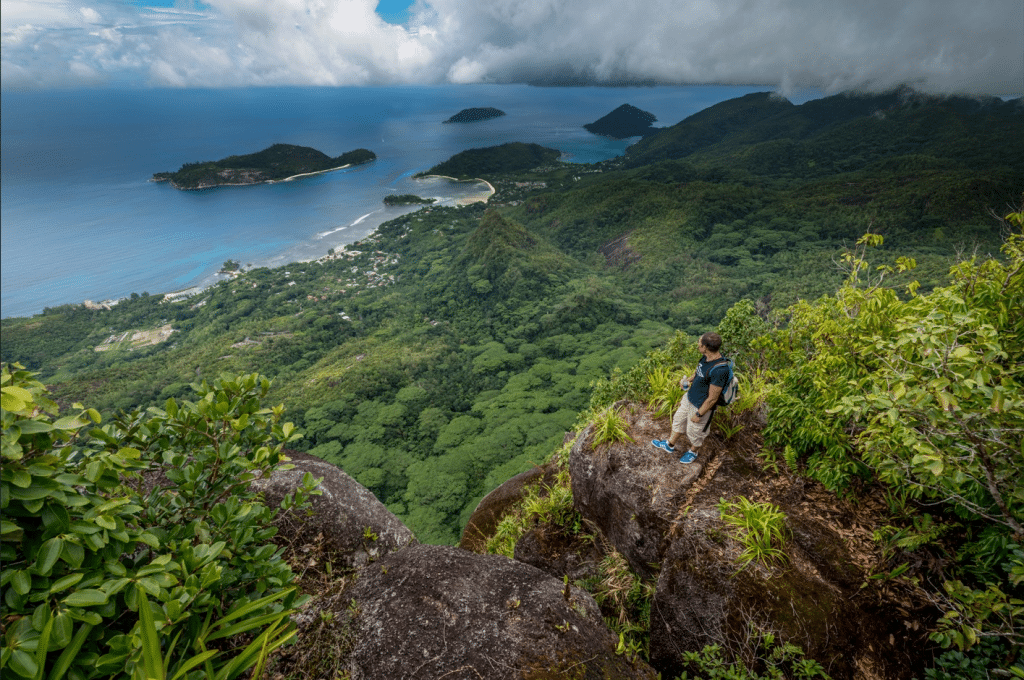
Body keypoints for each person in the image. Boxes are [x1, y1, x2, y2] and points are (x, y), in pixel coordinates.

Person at [652, 332, 730, 464]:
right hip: (689, 398)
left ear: (705, 347)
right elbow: (698, 372)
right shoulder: (705, 357)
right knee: (678, 421)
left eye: (700, 343)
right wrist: (688, 380)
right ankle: (669, 445)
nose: (698, 345)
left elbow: (712, 398)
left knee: (695, 432)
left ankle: (693, 451)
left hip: (700, 406)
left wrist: (699, 414)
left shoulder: (720, 370)